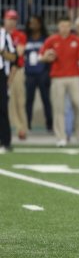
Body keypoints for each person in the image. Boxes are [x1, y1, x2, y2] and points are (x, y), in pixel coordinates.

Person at [39, 16, 79, 147]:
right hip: (57, 78)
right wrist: (46, 57)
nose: (64, 28)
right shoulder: (51, 40)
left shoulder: (76, 40)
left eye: (67, 26)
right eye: (62, 26)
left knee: (78, 106)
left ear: (70, 26)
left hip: (74, 77)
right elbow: (40, 56)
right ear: (58, 26)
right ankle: (61, 137)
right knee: (58, 108)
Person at [24, 16, 52, 132]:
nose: (32, 25)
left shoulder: (46, 39)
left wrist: (47, 72)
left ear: (40, 24)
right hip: (30, 74)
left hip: (42, 73)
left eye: (35, 23)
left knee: (46, 100)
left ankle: (49, 124)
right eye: (31, 23)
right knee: (29, 100)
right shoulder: (26, 38)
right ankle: (27, 124)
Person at [4, 10, 28, 140]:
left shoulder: (20, 35)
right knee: (8, 102)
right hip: (4, 69)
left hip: (17, 69)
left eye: (13, 19)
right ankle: (17, 128)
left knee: (19, 100)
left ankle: (22, 128)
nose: (11, 21)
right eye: (9, 19)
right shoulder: (2, 34)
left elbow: (18, 53)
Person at [0, 25, 17, 153]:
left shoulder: (4, 34)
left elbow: (14, 57)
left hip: (0, 73)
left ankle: (5, 141)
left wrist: (2, 52)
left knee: (2, 108)